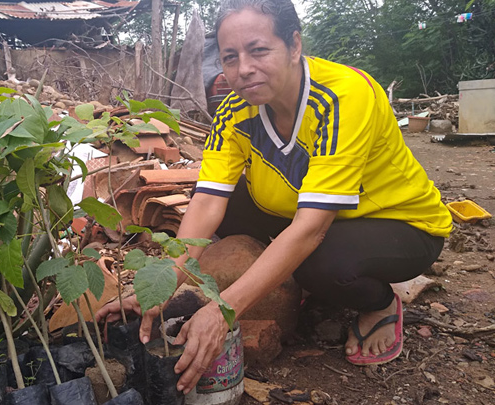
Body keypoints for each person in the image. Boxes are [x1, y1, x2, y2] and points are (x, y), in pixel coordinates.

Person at [96, 0, 452, 395]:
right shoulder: (235, 109)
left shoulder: (344, 96)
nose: (243, 68)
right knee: (223, 204)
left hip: (398, 222)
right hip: (307, 211)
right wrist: (161, 285)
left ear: (294, 45)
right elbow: (207, 202)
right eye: (230, 57)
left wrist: (223, 309)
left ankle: (380, 303)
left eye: (258, 50)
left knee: (319, 261)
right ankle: (283, 277)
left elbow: (311, 229)